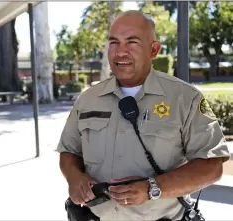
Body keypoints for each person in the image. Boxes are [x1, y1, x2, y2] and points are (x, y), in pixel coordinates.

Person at [56, 10, 230, 220]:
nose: (120, 52)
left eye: (132, 42)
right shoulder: (87, 99)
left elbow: (211, 166)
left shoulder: (185, 98)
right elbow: (69, 150)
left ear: (154, 49)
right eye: (114, 42)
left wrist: (152, 188)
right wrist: (74, 178)